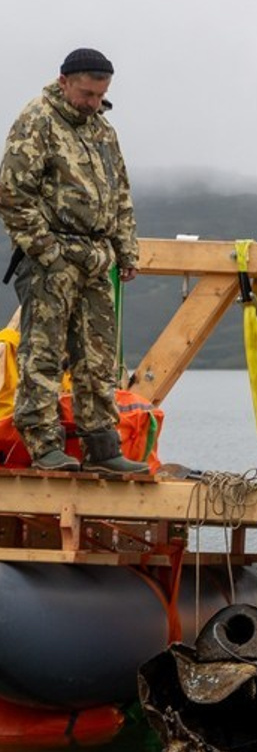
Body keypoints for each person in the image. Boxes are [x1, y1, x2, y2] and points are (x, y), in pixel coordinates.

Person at [0, 47, 147, 473]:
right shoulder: (37, 121)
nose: (93, 103)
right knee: (43, 353)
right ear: (64, 82)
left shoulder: (103, 131)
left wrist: (126, 252)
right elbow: (12, 193)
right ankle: (44, 445)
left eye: (100, 95)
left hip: (97, 259)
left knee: (98, 357)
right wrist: (45, 250)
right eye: (86, 94)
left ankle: (104, 448)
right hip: (53, 258)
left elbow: (120, 195)